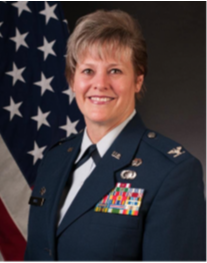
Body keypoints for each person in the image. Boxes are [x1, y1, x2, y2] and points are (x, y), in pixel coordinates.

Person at [25, 9, 207, 262]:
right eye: (88, 70)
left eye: (115, 71)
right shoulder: (54, 159)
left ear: (138, 80)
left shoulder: (172, 173)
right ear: (72, 80)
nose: (100, 84)